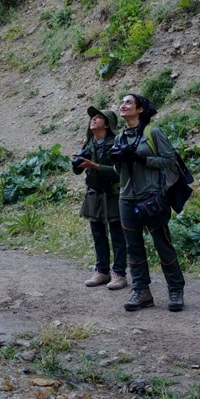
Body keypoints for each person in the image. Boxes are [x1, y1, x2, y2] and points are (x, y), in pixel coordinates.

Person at [110, 93, 185, 312]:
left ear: (140, 109)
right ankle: (142, 291)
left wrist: (141, 159)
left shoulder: (153, 132)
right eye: (122, 102)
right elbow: (118, 171)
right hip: (126, 197)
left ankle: (175, 289)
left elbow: (170, 159)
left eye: (128, 102)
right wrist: (119, 159)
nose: (123, 105)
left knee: (162, 244)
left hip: (151, 197)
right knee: (133, 246)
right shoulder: (119, 137)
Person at [72, 106, 128, 290]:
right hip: (94, 195)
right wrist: (78, 163)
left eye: (98, 117)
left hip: (113, 194)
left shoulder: (115, 143)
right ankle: (102, 271)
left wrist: (94, 165)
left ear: (107, 124)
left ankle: (119, 274)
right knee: (98, 235)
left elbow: (118, 172)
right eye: (92, 118)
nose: (93, 120)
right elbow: (78, 170)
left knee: (118, 236)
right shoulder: (89, 143)